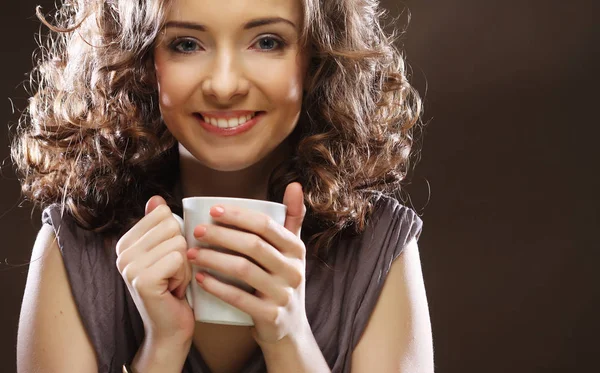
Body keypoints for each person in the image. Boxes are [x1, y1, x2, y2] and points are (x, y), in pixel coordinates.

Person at [13, 0, 433, 372]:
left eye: (267, 41)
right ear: (140, 59)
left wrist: (289, 338)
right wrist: (161, 349)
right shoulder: (71, 248)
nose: (224, 85)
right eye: (186, 44)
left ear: (317, 57)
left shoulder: (380, 245)